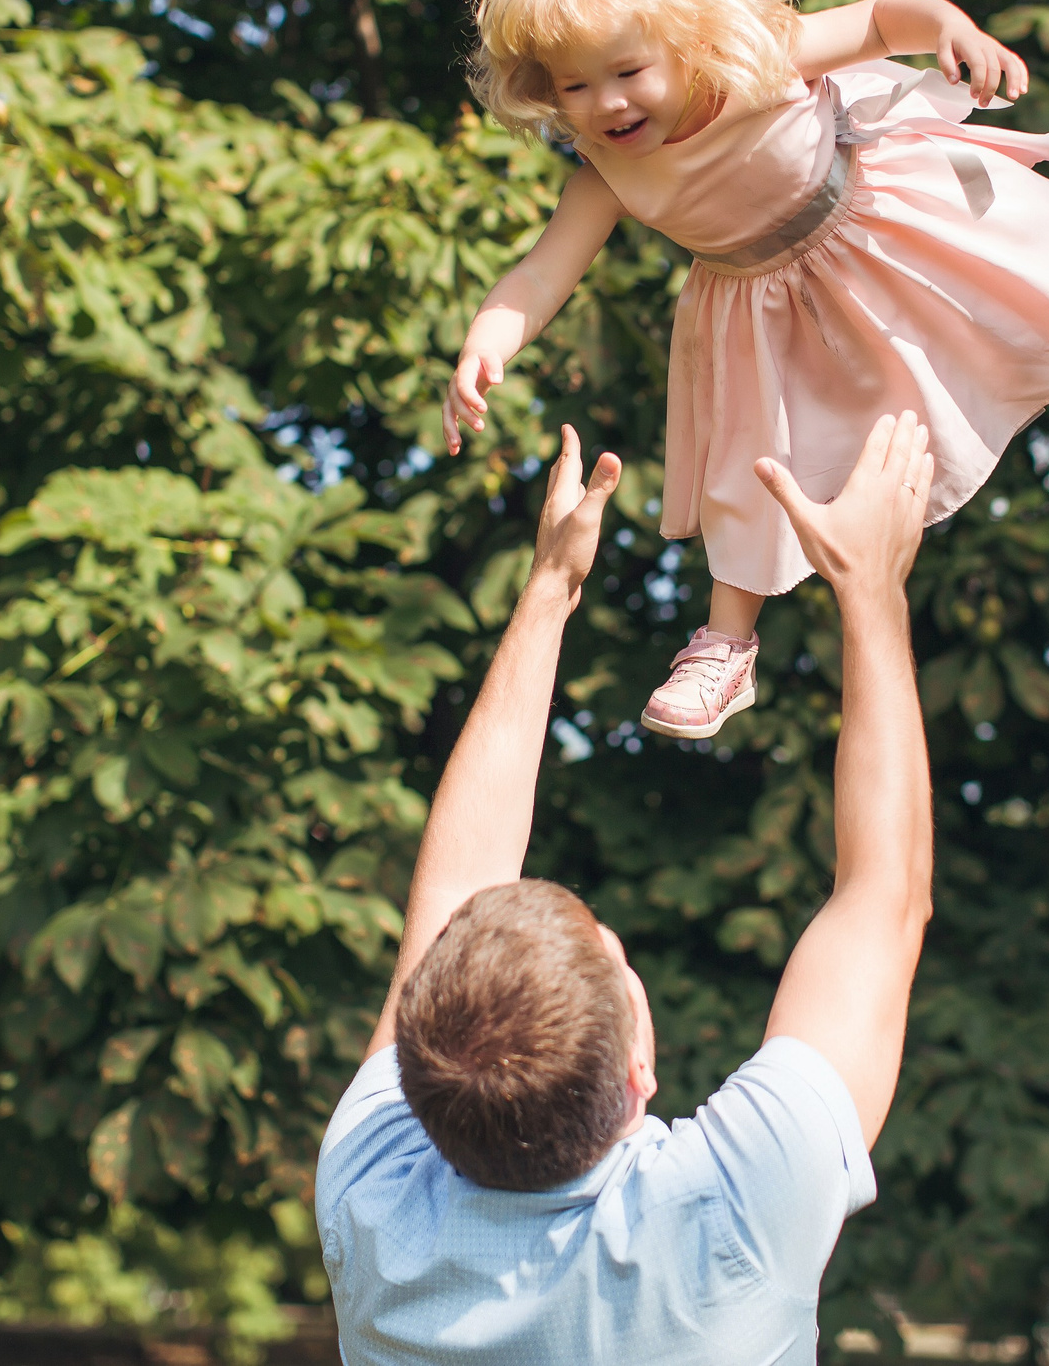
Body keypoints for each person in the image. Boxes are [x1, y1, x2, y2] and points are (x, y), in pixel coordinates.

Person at [443, 0, 1049, 743]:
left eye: (628, 73)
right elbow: (541, 275)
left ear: (686, 44)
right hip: (759, 304)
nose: (608, 104)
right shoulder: (604, 176)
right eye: (577, 86)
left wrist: (952, 29)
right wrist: (487, 340)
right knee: (753, 461)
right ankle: (725, 646)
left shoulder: (756, 63)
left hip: (876, 225)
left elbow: (880, 22)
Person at [317, 412, 942, 1366]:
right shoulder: (736, 1208)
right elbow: (881, 898)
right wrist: (870, 587)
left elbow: (883, 900)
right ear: (639, 1066)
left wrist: (551, 588)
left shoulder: (375, 1198)